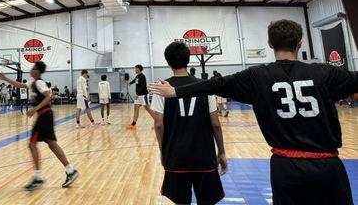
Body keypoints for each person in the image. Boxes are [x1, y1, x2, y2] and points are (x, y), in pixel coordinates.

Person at [149, 19, 358, 205]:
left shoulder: (257, 76)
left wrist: (176, 91)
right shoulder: (325, 72)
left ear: (270, 44)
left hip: (286, 167)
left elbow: (214, 84)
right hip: (329, 166)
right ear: (300, 42)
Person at [152, 41, 228, 205]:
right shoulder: (204, 85)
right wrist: (221, 151)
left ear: (168, 61)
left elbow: (158, 125)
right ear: (188, 59)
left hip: (176, 155)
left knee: (181, 202)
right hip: (204, 155)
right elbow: (215, 123)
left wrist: (163, 151)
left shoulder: (161, 88)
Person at [0, 61, 79, 191]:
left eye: (33, 68)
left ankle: (38, 177)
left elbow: (48, 97)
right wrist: (6, 78)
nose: (31, 69)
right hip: (45, 116)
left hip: (44, 115)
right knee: (52, 144)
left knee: (32, 144)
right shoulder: (33, 83)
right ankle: (70, 170)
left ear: (38, 71)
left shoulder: (39, 83)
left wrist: (35, 109)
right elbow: (20, 85)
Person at [126, 65, 154, 129]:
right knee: (136, 108)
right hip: (138, 96)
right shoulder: (137, 76)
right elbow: (135, 80)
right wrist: (130, 83)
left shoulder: (142, 76)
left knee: (148, 109)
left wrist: (137, 94)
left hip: (143, 95)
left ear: (139, 69)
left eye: (136, 68)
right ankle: (133, 124)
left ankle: (158, 121)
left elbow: (143, 86)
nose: (135, 70)